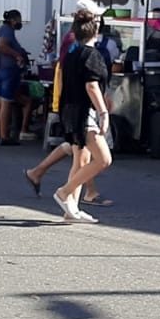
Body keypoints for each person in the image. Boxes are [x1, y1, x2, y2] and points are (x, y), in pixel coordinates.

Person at [52, 12, 113, 223]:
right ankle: (64, 192)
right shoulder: (91, 54)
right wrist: (103, 112)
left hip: (69, 109)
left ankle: (71, 210)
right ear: (96, 31)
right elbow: (91, 85)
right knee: (104, 159)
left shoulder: (71, 52)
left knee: (81, 160)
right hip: (83, 112)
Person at [0, 9, 30, 145]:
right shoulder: (7, 31)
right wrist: (17, 55)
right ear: (13, 20)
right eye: (19, 19)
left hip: (1, 70)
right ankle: (4, 136)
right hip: (8, 71)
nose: (20, 22)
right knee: (6, 103)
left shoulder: (1, 30)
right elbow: (1, 45)